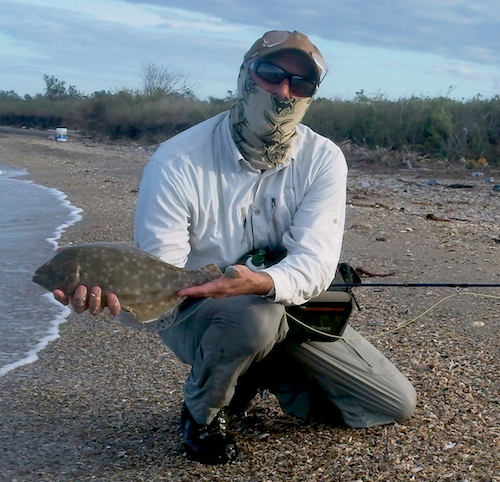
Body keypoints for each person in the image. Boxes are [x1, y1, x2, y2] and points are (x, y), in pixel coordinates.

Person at [55, 30, 417, 464]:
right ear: (245, 76)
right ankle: (202, 412)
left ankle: (252, 370)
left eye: (301, 84)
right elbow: (159, 273)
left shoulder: (323, 158)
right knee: (252, 318)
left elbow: (316, 263)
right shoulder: (176, 161)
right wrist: (112, 293)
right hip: (197, 310)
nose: (285, 91)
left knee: (393, 403)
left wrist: (261, 281)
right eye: (271, 75)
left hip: (289, 305)